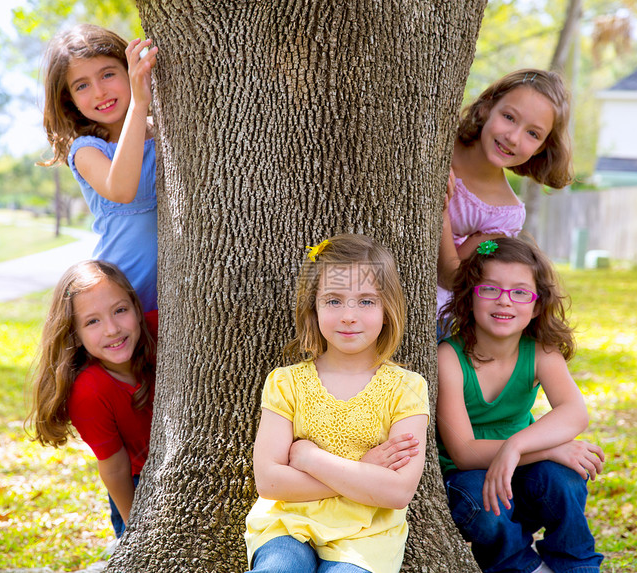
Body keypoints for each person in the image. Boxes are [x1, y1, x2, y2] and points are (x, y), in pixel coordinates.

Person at [245, 234, 430, 573]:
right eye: (333, 301)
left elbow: (398, 491)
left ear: (388, 310)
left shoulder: (406, 388)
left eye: (366, 301)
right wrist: (365, 471)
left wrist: (310, 458)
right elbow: (269, 482)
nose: (348, 315)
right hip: (287, 523)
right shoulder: (287, 383)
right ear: (312, 308)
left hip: (367, 535)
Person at [436, 237, 605, 573]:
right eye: (490, 290)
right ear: (469, 297)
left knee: (565, 479)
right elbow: (464, 453)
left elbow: (575, 412)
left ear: (537, 305)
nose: (505, 302)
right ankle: (520, 566)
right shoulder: (449, 359)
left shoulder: (540, 351)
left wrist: (516, 447)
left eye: (519, 292)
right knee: (482, 502)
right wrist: (546, 449)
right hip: (469, 478)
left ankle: (576, 565)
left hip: (522, 472)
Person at [26, 259, 158, 539]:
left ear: (136, 306)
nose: (112, 329)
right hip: (135, 487)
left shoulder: (162, 331)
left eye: (120, 310)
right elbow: (115, 468)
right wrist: (138, 533)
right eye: (93, 321)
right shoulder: (88, 391)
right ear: (75, 334)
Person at [437, 69, 574, 324]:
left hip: (431, 311)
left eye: (532, 134)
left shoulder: (504, 215)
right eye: (509, 117)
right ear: (486, 108)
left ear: (541, 147)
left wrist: (441, 214)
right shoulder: (439, 140)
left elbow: (451, 276)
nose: (513, 137)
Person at [41, 24, 159, 312]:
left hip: (172, 297)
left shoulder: (161, 133)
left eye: (108, 74)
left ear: (129, 69)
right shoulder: (86, 150)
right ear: (70, 99)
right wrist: (139, 104)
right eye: (82, 85)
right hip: (122, 302)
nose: (99, 92)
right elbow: (121, 189)